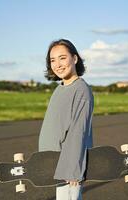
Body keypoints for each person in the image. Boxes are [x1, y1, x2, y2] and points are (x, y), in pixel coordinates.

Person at [38, 39, 94, 200]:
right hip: (56, 162)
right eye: (53, 60)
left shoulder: (81, 89)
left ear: (74, 59)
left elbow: (79, 130)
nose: (57, 64)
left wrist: (72, 169)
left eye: (62, 58)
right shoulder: (59, 89)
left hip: (69, 167)